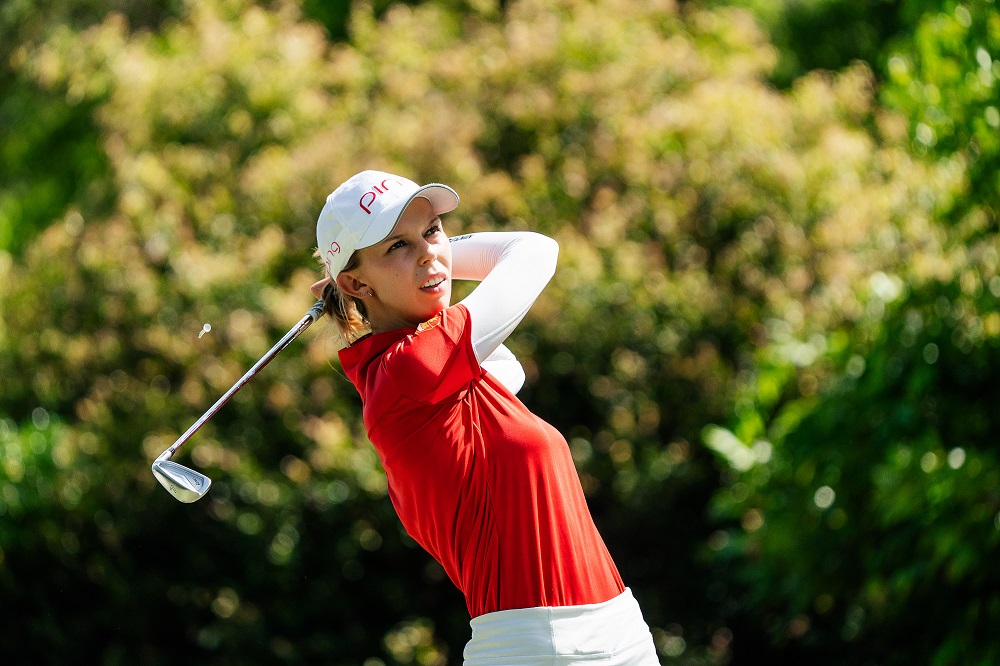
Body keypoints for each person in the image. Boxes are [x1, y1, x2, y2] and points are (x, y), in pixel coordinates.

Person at [310, 170, 659, 665]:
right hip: (545, 648)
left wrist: (404, 266)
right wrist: (416, 265)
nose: (430, 250)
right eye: (397, 247)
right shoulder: (413, 367)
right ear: (356, 280)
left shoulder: (439, 367)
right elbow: (534, 250)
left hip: (615, 632)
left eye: (433, 229)